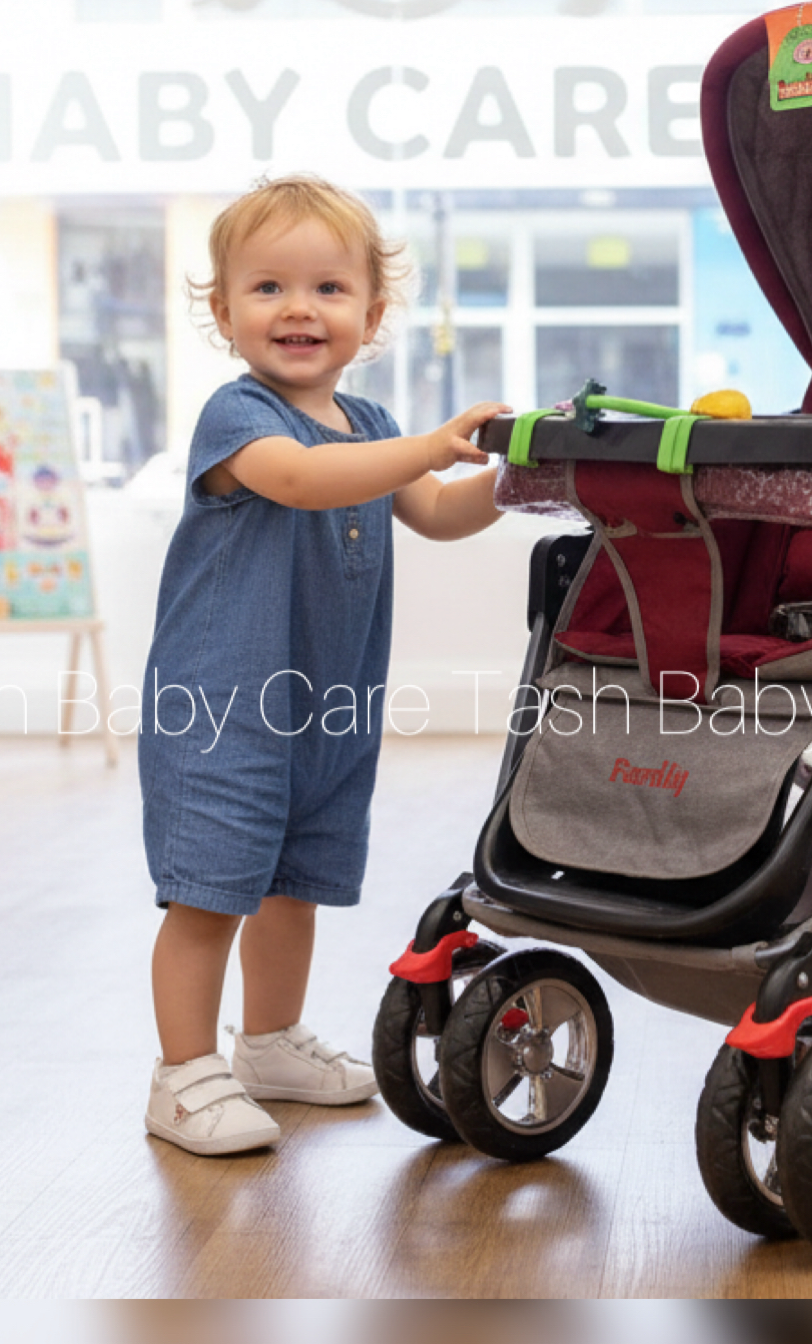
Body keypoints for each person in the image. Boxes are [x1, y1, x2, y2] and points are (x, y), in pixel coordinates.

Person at [141, 175, 509, 1156]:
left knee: (293, 880)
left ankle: (268, 1043)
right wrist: (429, 446)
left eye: (328, 289)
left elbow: (440, 512)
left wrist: (520, 479)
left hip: (325, 709)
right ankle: (183, 1074)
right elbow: (302, 480)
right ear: (224, 313)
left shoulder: (375, 427)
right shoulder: (237, 417)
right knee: (211, 888)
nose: (298, 308)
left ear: (371, 317)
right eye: (267, 287)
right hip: (220, 707)